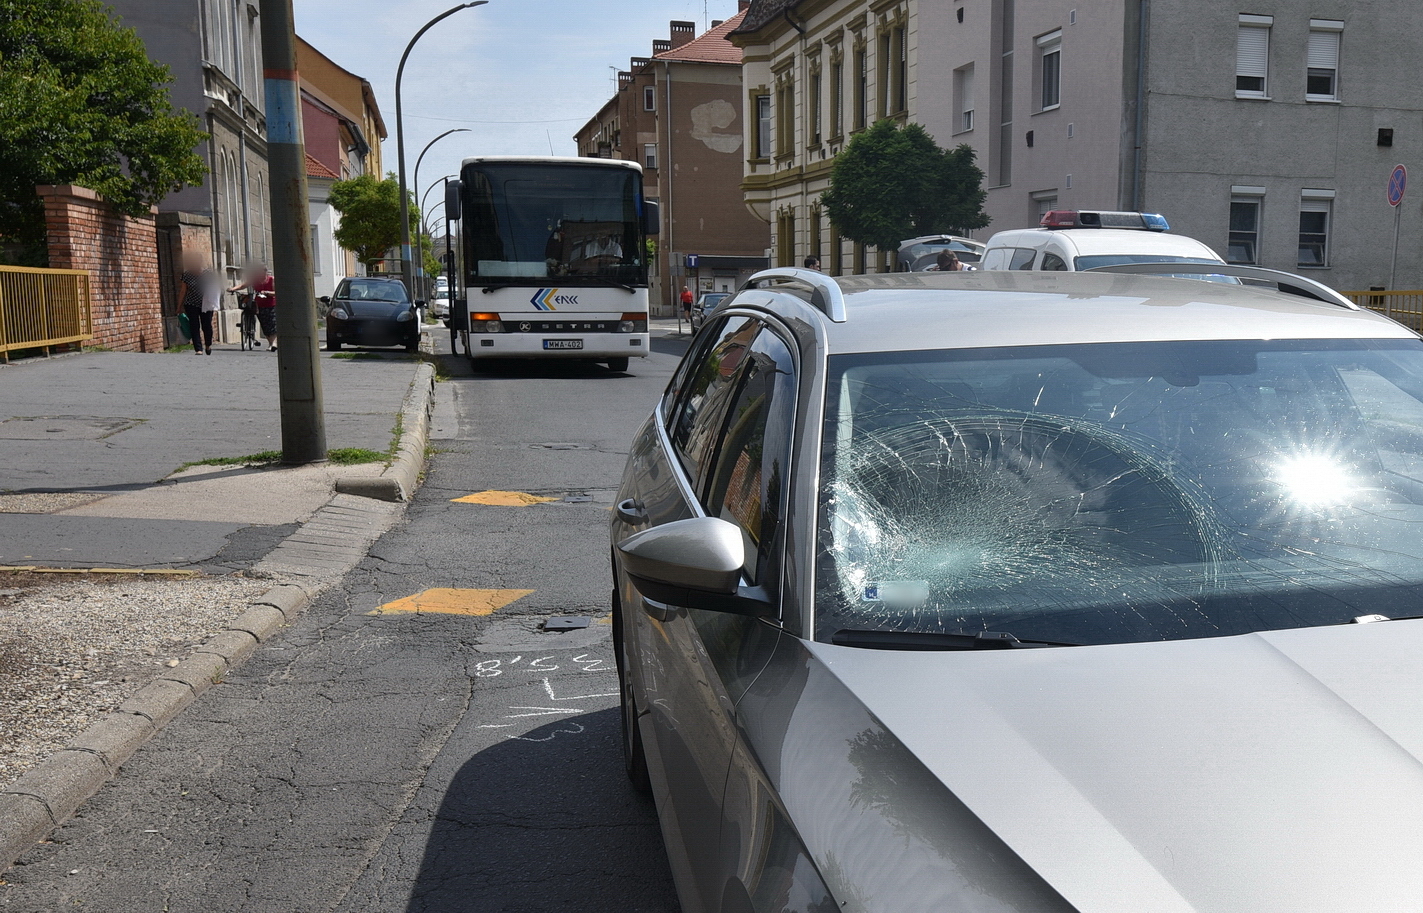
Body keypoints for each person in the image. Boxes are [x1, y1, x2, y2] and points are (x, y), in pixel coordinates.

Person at [229, 263, 277, 351]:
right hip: (259, 305)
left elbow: (276, 292)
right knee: (265, 325)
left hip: (271, 304)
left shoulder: (271, 279)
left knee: (272, 324)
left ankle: (273, 344)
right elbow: (242, 286)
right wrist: (233, 289)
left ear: (265, 272)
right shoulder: (255, 280)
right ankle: (271, 344)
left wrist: (267, 292)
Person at [178, 255, 214, 356]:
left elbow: (214, 289)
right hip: (191, 303)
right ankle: (198, 349)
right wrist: (179, 306)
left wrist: (214, 303)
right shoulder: (186, 275)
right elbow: (183, 291)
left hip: (206, 304)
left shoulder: (209, 274)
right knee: (194, 326)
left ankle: (208, 344)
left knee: (207, 326)